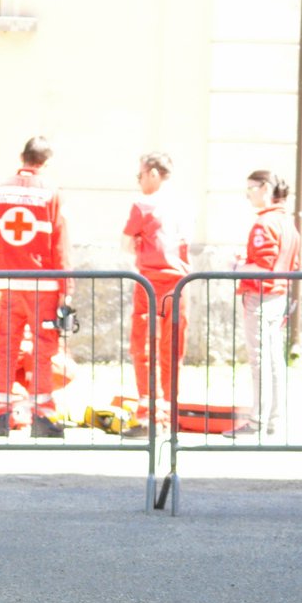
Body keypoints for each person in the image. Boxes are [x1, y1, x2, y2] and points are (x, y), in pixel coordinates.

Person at [0, 136, 70, 438]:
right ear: (46, 162)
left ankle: (0, 413)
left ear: (22, 156)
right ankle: (41, 414)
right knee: (42, 350)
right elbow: (59, 245)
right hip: (42, 285)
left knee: (6, 347)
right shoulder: (51, 193)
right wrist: (65, 287)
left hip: (8, 284)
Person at [120, 152, 192, 438]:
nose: (138, 181)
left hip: (150, 283)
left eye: (139, 175)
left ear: (152, 173)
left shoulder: (143, 205)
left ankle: (148, 414)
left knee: (144, 348)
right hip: (181, 284)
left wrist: (140, 245)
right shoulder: (184, 205)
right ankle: (169, 413)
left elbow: (125, 245)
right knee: (173, 350)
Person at [235, 169, 302, 436]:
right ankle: (273, 419)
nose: (248, 195)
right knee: (274, 359)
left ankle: (257, 420)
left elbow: (264, 265)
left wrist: (238, 267)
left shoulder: (265, 224)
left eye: (250, 189)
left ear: (265, 188)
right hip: (278, 295)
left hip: (261, 296)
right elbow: (289, 263)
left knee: (260, 359)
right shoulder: (287, 222)